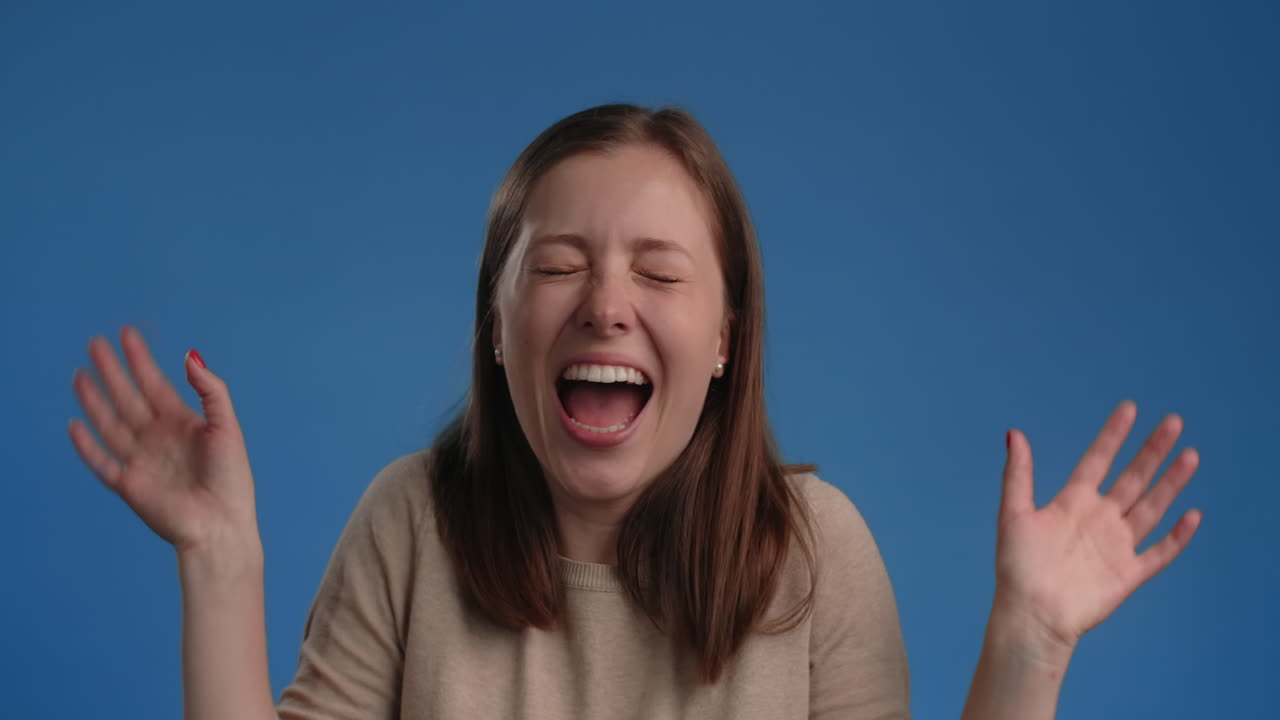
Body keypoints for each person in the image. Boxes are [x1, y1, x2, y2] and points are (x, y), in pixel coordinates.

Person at [67, 104, 1202, 720]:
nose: (606, 304)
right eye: (557, 267)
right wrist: (220, 561)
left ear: (722, 342)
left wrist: (1029, 645)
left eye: (659, 275)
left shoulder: (816, 553)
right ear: (499, 329)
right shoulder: (409, 523)